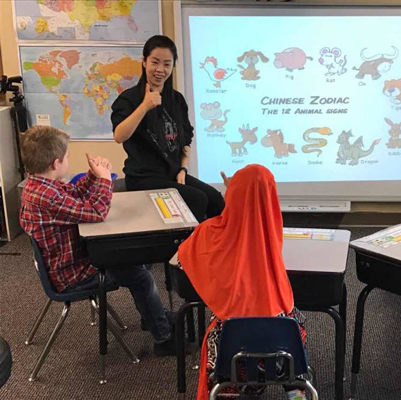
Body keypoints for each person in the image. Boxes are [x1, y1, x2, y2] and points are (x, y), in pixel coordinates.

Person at [19, 126, 179, 356]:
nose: (68, 161)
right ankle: (163, 338)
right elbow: (96, 212)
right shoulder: (46, 197)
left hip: (70, 260)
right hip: (73, 274)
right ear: (56, 163)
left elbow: (76, 195)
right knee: (140, 274)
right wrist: (105, 180)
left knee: (140, 261)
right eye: (67, 157)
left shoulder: (41, 185)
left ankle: (153, 317)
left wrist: (94, 175)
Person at [177, 164, 308, 400]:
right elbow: (254, 207)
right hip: (281, 352)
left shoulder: (209, 232)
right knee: (295, 324)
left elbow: (183, 257)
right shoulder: (271, 230)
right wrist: (240, 194)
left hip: (234, 352)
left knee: (221, 333)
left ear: (232, 195)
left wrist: (233, 196)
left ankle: (231, 392)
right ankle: (295, 389)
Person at [111, 35, 224, 221]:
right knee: (197, 200)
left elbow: (185, 139)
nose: (160, 69)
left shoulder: (176, 99)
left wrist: (183, 169)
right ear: (144, 62)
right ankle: (185, 249)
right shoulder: (129, 99)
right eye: (155, 62)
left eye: (167, 64)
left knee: (216, 200)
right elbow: (119, 135)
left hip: (173, 174)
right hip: (143, 178)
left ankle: (209, 246)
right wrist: (145, 105)